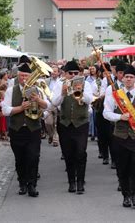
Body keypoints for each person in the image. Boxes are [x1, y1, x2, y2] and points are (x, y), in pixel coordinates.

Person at [103, 65, 135, 208]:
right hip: (120, 137)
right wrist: (120, 116)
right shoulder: (116, 95)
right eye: (126, 77)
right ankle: (126, 195)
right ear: (122, 78)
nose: (129, 79)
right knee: (122, 167)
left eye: (131, 77)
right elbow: (106, 113)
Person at [1, 63, 49, 197]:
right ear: (18, 76)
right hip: (17, 129)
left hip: (33, 129)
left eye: (26, 76)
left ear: (31, 76)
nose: (24, 78)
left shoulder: (37, 89)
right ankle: (22, 183)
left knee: (33, 157)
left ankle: (32, 185)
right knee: (20, 158)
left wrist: (38, 100)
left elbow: (47, 107)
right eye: (22, 75)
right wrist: (20, 108)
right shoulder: (12, 90)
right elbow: (5, 110)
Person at [51, 60, 93, 194]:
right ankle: (71, 182)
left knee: (81, 152)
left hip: (81, 124)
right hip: (65, 123)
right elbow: (54, 103)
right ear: (65, 74)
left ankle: (80, 182)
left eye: (76, 73)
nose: (74, 75)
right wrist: (63, 93)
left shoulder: (86, 84)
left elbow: (90, 100)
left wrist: (81, 91)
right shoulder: (59, 84)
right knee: (68, 154)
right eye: (71, 73)